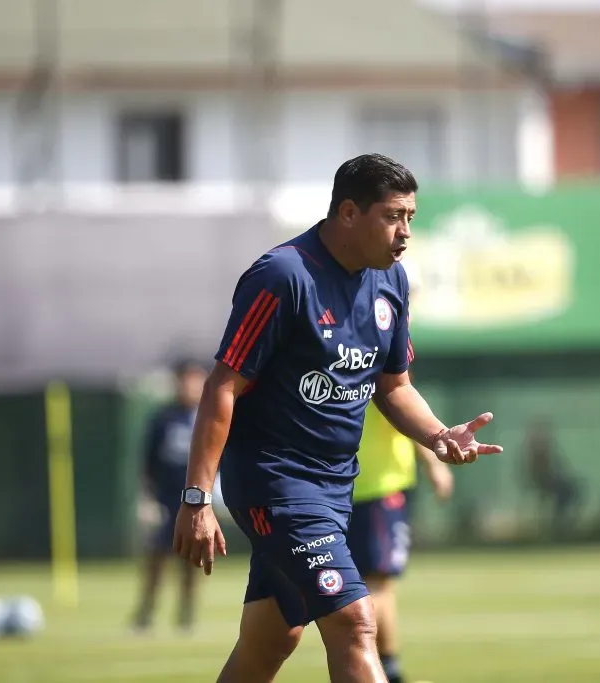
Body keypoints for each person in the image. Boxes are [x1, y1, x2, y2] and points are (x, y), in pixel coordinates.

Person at [171, 153, 503, 683]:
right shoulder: (282, 276)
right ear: (348, 213)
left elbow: (393, 387)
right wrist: (196, 498)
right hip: (274, 483)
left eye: (411, 218)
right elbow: (222, 387)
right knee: (355, 621)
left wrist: (439, 435)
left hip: (334, 489)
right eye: (393, 216)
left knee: (270, 641)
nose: (405, 232)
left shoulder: (390, 283)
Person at [347, 267, 454, 683]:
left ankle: (376, 666)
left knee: (365, 585)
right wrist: (433, 461)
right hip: (378, 482)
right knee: (376, 585)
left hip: (350, 482)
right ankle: (388, 671)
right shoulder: (373, 343)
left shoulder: (363, 339)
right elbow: (397, 409)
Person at [132, 359, 207, 633]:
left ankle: (186, 615)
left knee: (192, 560)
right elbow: (148, 461)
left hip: (197, 501)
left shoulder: (208, 416)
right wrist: (147, 499)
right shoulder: (163, 417)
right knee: (156, 557)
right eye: (185, 379)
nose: (189, 385)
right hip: (166, 501)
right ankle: (145, 613)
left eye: (195, 379)